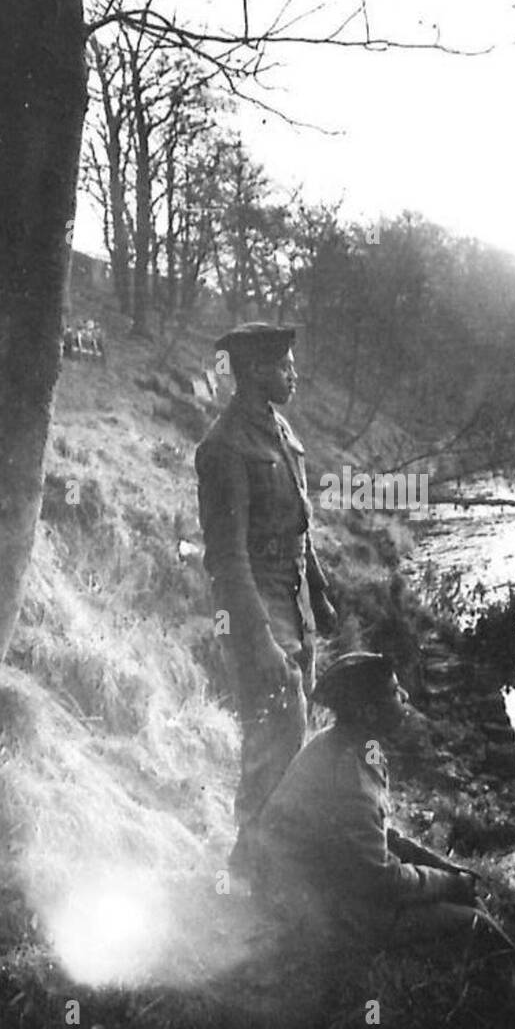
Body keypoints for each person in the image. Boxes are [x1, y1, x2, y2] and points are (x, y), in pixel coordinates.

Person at [252, 651, 515, 1029]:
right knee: (474, 925)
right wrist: (448, 883)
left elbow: (379, 836)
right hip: (314, 909)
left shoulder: (352, 747)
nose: (406, 697)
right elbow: (378, 879)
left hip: (316, 885)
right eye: (394, 693)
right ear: (367, 710)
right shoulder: (347, 770)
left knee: (463, 902)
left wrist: (443, 868)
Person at [194, 322, 336, 876]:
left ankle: (280, 866)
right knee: (273, 734)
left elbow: (300, 521)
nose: (293, 375)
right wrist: (261, 640)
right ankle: (249, 870)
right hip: (256, 600)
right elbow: (227, 560)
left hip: (291, 593)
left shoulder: (280, 429)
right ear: (253, 372)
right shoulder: (224, 447)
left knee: (292, 735)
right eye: (283, 367)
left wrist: (318, 590)